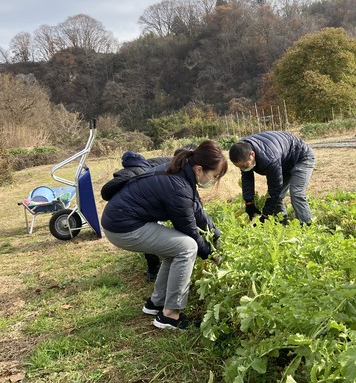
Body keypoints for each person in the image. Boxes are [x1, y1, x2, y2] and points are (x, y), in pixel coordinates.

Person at [101, 140, 226, 330]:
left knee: (173, 249)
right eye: (214, 175)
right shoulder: (178, 186)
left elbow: (197, 209)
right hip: (123, 227)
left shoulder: (182, 171)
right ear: (199, 169)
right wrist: (211, 254)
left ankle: (156, 302)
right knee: (187, 247)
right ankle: (170, 315)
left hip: (122, 220)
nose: (214, 181)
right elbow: (190, 230)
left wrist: (215, 234)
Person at [101, 144, 196, 281]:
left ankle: (155, 281)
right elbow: (184, 214)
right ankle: (154, 272)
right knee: (182, 246)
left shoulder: (164, 164)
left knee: (167, 243)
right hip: (128, 220)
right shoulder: (165, 169)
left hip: (123, 216)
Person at [229, 131, 315, 225]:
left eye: (245, 166)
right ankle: (282, 224)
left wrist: (266, 214)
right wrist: (249, 202)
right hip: (284, 160)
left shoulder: (269, 158)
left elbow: (275, 188)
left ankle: (307, 226)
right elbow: (247, 179)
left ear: (252, 154)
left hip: (301, 156)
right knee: (277, 198)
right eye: (240, 167)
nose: (243, 169)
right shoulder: (241, 151)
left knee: (296, 193)